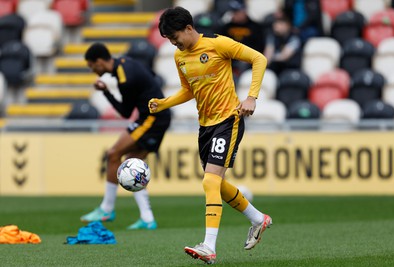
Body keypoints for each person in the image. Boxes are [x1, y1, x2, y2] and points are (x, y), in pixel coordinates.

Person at [149, 6, 272, 265]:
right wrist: (164, 103)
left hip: (228, 119)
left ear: (189, 28)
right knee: (216, 183)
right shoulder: (179, 57)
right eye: (169, 40)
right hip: (205, 125)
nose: (173, 43)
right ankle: (258, 219)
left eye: (175, 37)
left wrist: (251, 97)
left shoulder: (219, 44)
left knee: (209, 182)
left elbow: (259, 59)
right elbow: (188, 90)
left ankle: (209, 245)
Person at [80, 43, 171, 230]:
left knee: (113, 154)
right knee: (133, 163)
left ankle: (106, 209)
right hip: (156, 116)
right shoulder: (126, 62)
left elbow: (125, 111)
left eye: (92, 66)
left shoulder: (124, 77)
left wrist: (106, 92)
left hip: (153, 119)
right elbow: (151, 78)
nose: (92, 70)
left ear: (99, 61)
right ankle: (147, 219)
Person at [218, 0, 266, 79]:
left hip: (249, 60)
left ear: (244, 11)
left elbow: (259, 47)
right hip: (230, 60)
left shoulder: (256, 27)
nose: (234, 15)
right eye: (233, 12)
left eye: (237, 12)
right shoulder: (225, 28)